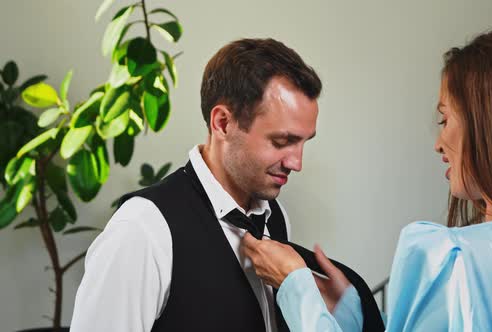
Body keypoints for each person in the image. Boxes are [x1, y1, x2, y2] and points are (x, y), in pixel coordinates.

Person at [243, 27, 492, 331]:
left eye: (445, 120)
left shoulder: (457, 261)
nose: (440, 143)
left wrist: (297, 289)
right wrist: (349, 315)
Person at [70, 38, 322, 332]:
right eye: (282, 141)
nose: (297, 163)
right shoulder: (142, 229)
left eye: (305, 142)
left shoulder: (276, 217)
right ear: (223, 123)